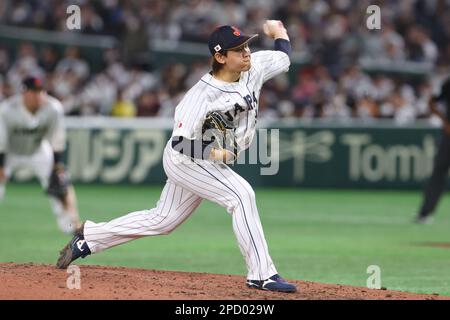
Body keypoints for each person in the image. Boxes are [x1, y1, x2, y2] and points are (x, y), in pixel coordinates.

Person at [56, 21, 297, 293]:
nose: (246, 53)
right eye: (238, 49)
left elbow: (284, 56)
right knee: (241, 195)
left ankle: (89, 237)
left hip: (205, 160)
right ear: (220, 57)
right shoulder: (200, 97)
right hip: (188, 159)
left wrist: (278, 31)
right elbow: (181, 143)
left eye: (246, 46)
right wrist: (215, 152)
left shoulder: (254, 67)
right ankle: (262, 274)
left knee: (163, 220)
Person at [0, 76, 81, 234]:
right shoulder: (7, 109)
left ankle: (73, 225)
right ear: (24, 93)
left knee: (60, 181)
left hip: (38, 150)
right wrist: (1, 165)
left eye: (41, 91)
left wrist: (57, 165)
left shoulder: (53, 108)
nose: (39, 96)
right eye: (34, 92)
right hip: (10, 152)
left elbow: (57, 139)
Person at [415, 76, 450, 224]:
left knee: (438, 172)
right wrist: (445, 122)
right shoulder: (448, 83)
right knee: (438, 171)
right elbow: (432, 102)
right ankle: (425, 213)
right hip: (449, 137)